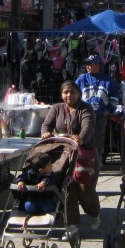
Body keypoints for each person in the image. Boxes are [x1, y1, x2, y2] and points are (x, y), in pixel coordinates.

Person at [41, 81, 101, 232]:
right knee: (67, 189)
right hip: (64, 155)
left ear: (78, 93)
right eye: (66, 92)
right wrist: (46, 133)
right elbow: (46, 124)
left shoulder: (86, 108)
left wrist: (81, 138)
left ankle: (94, 213)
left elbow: (88, 126)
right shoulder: (56, 108)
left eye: (73, 92)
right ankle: (71, 225)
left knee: (84, 188)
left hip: (85, 155)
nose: (69, 95)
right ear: (62, 94)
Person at [76, 54, 120, 163]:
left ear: (97, 65)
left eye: (90, 64)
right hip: (84, 116)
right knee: (83, 138)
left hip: (100, 116)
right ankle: (83, 161)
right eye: (87, 65)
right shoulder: (81, 79)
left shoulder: (107, 80)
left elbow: (115, 96)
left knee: (98, 139)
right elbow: (73, 95)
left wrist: (109, 110)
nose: (88, 67)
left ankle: (96, 162)